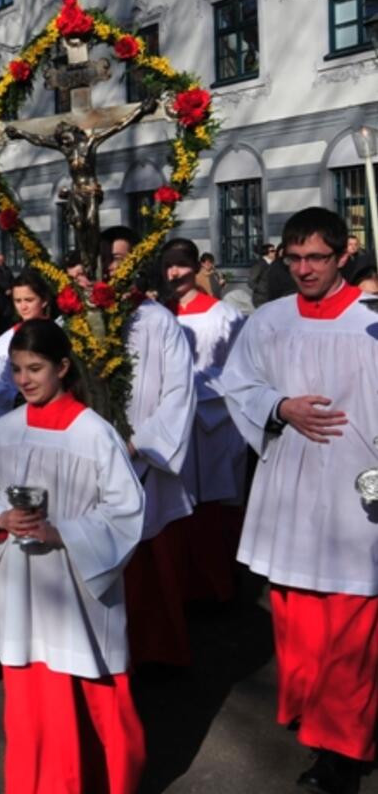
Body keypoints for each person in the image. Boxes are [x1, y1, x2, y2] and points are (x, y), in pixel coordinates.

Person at [0, 320, 145, 794]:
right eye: (16, 370)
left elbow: (126, 513)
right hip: (21, 593)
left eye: (34, 369)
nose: (24, 381)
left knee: (101, 701)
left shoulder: (95, 435)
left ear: (63, 367)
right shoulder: (2, 432)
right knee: (35, 719)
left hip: (80, 590)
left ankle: (117, 787)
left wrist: (65, 534)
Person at [222, 207, 378, 794]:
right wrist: (279, 406)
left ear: (344, 256)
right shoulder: (268, 320)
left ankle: (341, 751)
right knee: (298, 618)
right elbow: (239, 384)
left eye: (317, 257)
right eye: (295, 259)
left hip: (351, 494)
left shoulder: (369, 322)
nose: (305, 269)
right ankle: (315, 716)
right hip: (291, 486)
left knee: (352, 626)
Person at [101, 226, 197, 669]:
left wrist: (139, 444)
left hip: (143, 457)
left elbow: (179, 392)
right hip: (91, 463)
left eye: (122, 258)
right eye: (107, 258)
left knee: (148, 565)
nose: (114, 267)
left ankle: (154, 652)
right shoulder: (82, 320)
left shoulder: (160, 321)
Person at [161, 238, 248, 603]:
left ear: (197, 267)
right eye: (169, 264)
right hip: (170, 424)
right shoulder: (158, 314)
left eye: (182, 264)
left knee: (211, 509)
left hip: (211, 421)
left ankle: (215, 588)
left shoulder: (223, 316)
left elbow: (241, 369)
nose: (175, 272)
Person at [0, 269, 57, 415]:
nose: (23, 307)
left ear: (44, 300)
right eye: (18, 301)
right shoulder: (3, 344)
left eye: (29, 300)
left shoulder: (62, 333)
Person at [248, 243, 276, 308]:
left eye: (275, 250)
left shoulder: (273, 264)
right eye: (272, 251)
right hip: (261, 299)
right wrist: (262, 290)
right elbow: (251, 281)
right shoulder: (259, 264)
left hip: (270, 298)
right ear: (265, 252)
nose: (275, 252)